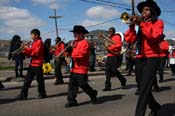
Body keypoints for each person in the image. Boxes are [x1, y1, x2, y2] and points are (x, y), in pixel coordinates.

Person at [125, 0, 163, 116]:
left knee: (145, 87)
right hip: (140, 56)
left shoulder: (158, 23)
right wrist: (132, 27)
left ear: (152, 11)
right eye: (142, 10)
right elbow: (130, 40)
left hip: (152, 57)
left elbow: (154, 37)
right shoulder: (139, 25)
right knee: (141, 86)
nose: (143, 12)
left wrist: (141, 24)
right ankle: (155, 106)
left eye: (146, 9)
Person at [65, 25, 98, 108]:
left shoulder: (85, 43)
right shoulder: (74, 42)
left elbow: (81, 54)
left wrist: (72, 52)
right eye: (74, 33)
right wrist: (68, 51)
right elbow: (70, 53)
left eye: (75, 33)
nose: (74, 35)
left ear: (81, 34)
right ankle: (71, 100)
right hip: (74, 68)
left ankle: (92, 94)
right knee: (72, 85)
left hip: (82, 68)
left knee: (83, 84)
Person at [16, 29, 47, 100]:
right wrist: (24, 50)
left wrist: (27, 48)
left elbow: (35, 52)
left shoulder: (39, 42)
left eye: (32, 34)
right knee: (27, 80)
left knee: (40, 80)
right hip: (32, 64)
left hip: (38, 64)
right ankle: (23, 95)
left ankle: (42, 93)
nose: (31, 36)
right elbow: (30, 54)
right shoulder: (33, 43)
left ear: (36, 35)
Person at [103, 27, 127, 91]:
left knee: (114, 70)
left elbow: (119, 45)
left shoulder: (117, 37)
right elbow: (107, 45)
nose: (109, 32)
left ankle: (123, 80)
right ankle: (107, 86)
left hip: (115, 56)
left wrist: (110, 48)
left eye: (111, 31)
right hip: (109, 55)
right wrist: (106, 45)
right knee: (107, 71)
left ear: (114, 32)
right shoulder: (109, 38)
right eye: (109, 31)